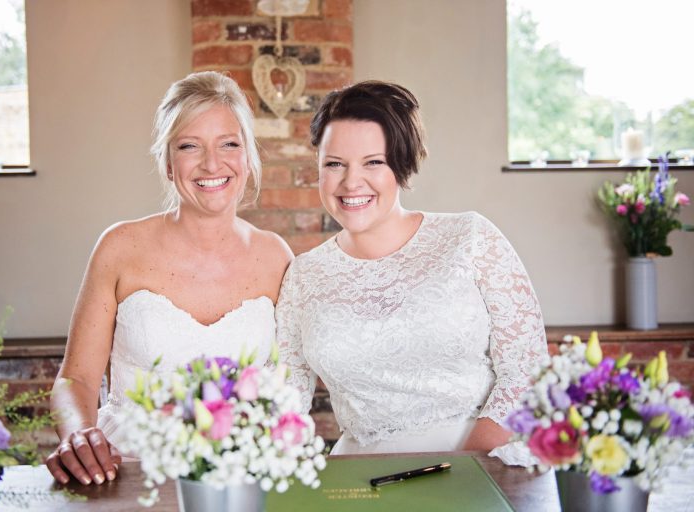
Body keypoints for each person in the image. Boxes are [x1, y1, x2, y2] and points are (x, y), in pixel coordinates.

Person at [46, 72, 293, 485]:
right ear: (166, 161)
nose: (212, 164)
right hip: (126, 471)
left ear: (248, 157)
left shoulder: (276, 257)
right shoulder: (119, 247)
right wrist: (79, 436)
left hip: (237, 475)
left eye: (229, 144)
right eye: (189, 146)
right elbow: (77, 379)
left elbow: (288, 389)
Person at [276, 81, 548, 455]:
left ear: (402, 164)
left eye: (374, 162)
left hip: (481, 465)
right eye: (334, 164)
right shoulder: (303, 276)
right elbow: (284, 401)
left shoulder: (469, 238)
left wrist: (467, 469)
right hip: (361, 479)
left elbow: (528, 371)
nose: (351, 182)